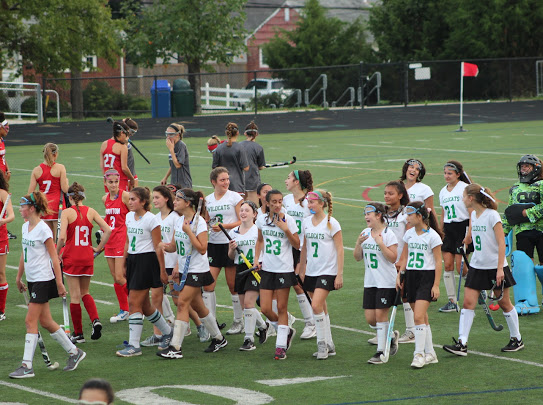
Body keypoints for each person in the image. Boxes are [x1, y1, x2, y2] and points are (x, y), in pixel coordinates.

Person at [10, 191, 85, 378]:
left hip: (44, 280)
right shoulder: (25, 227)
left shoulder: (43, 229)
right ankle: (75, 352)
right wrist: (19, 277)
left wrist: (59, 283)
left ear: (32, 208)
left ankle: (27, 365)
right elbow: (24, 254)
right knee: (45, 321)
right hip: (33, 280)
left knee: (30, 321)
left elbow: (54, 257)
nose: (20, 210)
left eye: (23, 206)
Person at [443, 184, 524, 356]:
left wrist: (500, 269)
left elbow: (502, 243)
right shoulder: (473, 214)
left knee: (504, 303)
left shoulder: (492, 215)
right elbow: (472, 237)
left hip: (495, 267)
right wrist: (465, 243)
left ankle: (516, 339)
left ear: (471, 198)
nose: (462, 199)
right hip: (477, 266)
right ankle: (462, 343)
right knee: (468, 304)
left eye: (464, 196)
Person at [157, 188, 228, 358]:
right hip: (183, 269)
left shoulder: (200, 222)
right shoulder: (179, 220)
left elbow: (203, 249)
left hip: (197, 270)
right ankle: (219, 338)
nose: (174, 202)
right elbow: (175, 246)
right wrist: (165, 246)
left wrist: (189, 232)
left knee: (182, 303)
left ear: (188, 203)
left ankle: (175, 348)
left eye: (178, 199)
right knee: (198, 306)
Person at [115, 187, 173, 357]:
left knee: (133, 303)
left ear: (143, 202)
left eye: (133, 199)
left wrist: (162, 270)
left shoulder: (151, 220)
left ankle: (134, 346)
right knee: (146, 306)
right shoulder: (128, 217)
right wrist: (125, 262)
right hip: (133, 261)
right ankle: (168, 332)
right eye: (130, 199)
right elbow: (128, 241)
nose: (130, 202)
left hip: (146, 262)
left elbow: (158, 247)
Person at [56, 182, 111, 343]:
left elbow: (62, 238)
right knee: (85, 292)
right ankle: (95, 320)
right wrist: (98, 248)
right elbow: (108, 230)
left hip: (72, 256)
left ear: (70, 197)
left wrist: (56, 252)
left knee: (74, 296)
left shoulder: (67, 212)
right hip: (87, 256)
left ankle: (78, 333)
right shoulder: (91, 211)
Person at [255, 189, 300, 360]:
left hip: (284, 269)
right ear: (267, 202)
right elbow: (260, 240)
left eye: (280, 201)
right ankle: (286, 331)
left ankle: (281, 346)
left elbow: (297, 245)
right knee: (265, 308)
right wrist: (257, 259)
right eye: (273, 201)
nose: (277, 205)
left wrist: (286, 229)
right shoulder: (261, 220)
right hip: (267, 268)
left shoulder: (288, 219)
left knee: (282, 308)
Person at [299, 190, 343, 360]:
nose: (309, 205)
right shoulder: (306, 222)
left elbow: (340, 250)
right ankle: (329, 343)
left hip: (327, 271)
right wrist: (302, 269)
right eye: (308, 202)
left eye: (312, 202)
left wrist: (339, 274)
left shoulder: (332, 223)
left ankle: (322, 344)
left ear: (322, 203)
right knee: (321, 307)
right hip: (311, 271)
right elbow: (304, 248)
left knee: (316, 306)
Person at [398, 201, 443, 368]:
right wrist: (400, 275)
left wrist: (436, 285)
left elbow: (439, 262)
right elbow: (405, 257)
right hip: (411, 276)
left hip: (427, 277)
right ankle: (430, 353)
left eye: (410, 215)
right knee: (422, 318)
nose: (407, 218)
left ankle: (418, 354)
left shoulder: (433, 236)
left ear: (419, 216)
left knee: (417, 317)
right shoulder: (409, 234)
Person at [354, 202, 399, 364]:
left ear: (378, 215)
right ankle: (391, 335)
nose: (366, 216)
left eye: (369, 213)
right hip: (370, 281)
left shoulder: (388, 234)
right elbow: (357, 257)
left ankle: (381, 351)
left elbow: (393, 258)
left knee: (380, 316)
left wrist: (380, 243)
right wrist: (358, 243)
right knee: (370, 319)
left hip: (386, 281)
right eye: (365, 213)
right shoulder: (365, 232)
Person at [204, 167, 243, 334]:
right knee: (208, 285)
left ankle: (238, 321)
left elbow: (242, 220)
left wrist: (224, 227)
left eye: (227, 179)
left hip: (230, 243)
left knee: (233, 285)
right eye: (222, 180)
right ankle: (211, 323)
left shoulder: (235, 197)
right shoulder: (208, 200)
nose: (226, 182)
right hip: (213, 244)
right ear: (214, 182)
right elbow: (206, 221)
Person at [227, 200, 269, 351]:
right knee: (246, 306)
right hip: (240, 268)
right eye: (242, 210)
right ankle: (263, 326)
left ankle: (248, 339)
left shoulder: (258, 231)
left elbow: (264, 250)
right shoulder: (233, 232)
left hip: (255, 268)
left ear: (255, 214)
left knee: (249, 304)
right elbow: (231, 257)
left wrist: (261, 263)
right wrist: (232, 249)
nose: (243, 213)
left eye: (247, 210)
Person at [141, 185, 179, 346]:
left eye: (157, 197)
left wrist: (177, 264)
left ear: (166, 198)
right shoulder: (155, 218)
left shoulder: (175, 217)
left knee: (180, 301)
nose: (154, 200)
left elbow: (178, 243)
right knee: (156, 298)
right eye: (153, 197)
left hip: (175, 264)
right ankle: (159, 334)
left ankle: (201, 325)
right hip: (159, 264)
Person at [284, 170, 316, 340]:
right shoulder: (287, 200)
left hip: (304, 248)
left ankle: (312, 323)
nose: (286, 180)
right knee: (290, 284)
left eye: (289, 178)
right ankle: (292, 318)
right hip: (288, 247)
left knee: (301, 284)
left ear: (297, 182)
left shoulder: (308, 201)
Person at [438, 160, 472, 313]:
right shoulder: (443, 191)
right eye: (445, 173)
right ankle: (452, 301)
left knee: (461, 267)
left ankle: (477, 287)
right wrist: (440, 231)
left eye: (450, 173)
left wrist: (470, 232)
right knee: (448, 265)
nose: (446, 176)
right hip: (448, 229)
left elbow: (472, 211)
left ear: (458, 174)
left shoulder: (465, 188)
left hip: (462, 227)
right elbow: (443, 212)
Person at [383, 180, 414, 344]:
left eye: (391, 193)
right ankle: (384, 330)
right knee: (384, 292)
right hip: (386, 260)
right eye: (385, 193)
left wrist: (403, 260)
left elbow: (408, 238)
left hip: (402, 260)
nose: (387, 196)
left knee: (405, 294)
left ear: (400, 195)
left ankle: (411, 331)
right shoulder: (383, 213)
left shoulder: (406, 214)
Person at [502, 154, 543, 264]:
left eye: (527, 166)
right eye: (522, 166)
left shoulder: (541, 184)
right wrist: (504, 230)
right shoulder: (515, 188)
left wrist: (527, 213)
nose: (523, 168)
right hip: (523, 231)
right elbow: (510, 212)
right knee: (525, 265)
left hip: (541, 229)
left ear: (536, 168)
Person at [102, 169, 130, 323]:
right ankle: (124, 309)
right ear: (105, 182)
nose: (113, 185)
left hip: (122, 239)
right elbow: (108, 219)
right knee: (115, 277)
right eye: (110, 182)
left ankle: (135, 305)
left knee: (120, 276)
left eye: (116, 182)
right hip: (110, 240)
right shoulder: (104, 198)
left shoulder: (125, 196)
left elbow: (134, 214)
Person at [27, 143, 69, 239]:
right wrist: (66, 182)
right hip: (58, 206)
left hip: (44, 205)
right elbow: (65, 189)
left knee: (48, 238)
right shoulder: (60, 168)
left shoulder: (36, 170)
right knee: (60, 238)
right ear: (55, 154)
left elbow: (30, 193)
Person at [212, 122, 249, 194]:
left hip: (221, 184)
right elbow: (246, 168)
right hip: (237, 184)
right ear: (237, 133)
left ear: (226, 133)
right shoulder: (240, 148)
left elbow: (214, 168)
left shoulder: (219, 148)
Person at [100, 121, 135, 192]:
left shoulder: (104, 144)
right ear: (122, 133)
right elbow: (124, 168)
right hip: (120, 181)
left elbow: (102, 165)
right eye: (127, 134)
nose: (127, 138)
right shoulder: (122, 147)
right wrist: (132, 179)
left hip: (108, 181)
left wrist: (106, 179)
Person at [0, 171, 15, 320]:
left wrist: (3, 221)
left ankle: (1, 310)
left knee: (0, 273)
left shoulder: (3, 193)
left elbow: (11, 215)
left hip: (0, 237)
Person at [240, 121, 266, 204]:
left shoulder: (238, 145)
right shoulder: (258, 147)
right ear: (257, 134)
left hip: (239, 180)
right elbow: (261, 166)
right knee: (253, 206)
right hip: (253, 180)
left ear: (245, 133)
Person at [160, 123, 192, 189]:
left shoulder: (181, 145)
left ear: (177, 135)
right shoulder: (172, 145)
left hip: (184, 183)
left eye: (171, 134)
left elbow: (178, 165)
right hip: (174, 183)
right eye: (167, 134)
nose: (168, 137)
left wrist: (171, 150)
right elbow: (173, 165)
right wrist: (165, 177)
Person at [0, 113, 15, 240]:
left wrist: (8, 170)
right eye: (5, 127)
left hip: (3, 178)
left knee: (4, 204)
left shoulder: (1, 140)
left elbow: (3, 157)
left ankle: (4, 228)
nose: (7, 129)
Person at [123, 117, 139, 188]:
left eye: (134, 133)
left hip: (132, 173)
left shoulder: (127, 139)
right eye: (132, 132)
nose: (132, 134)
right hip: (126, 175)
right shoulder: (122, 142)